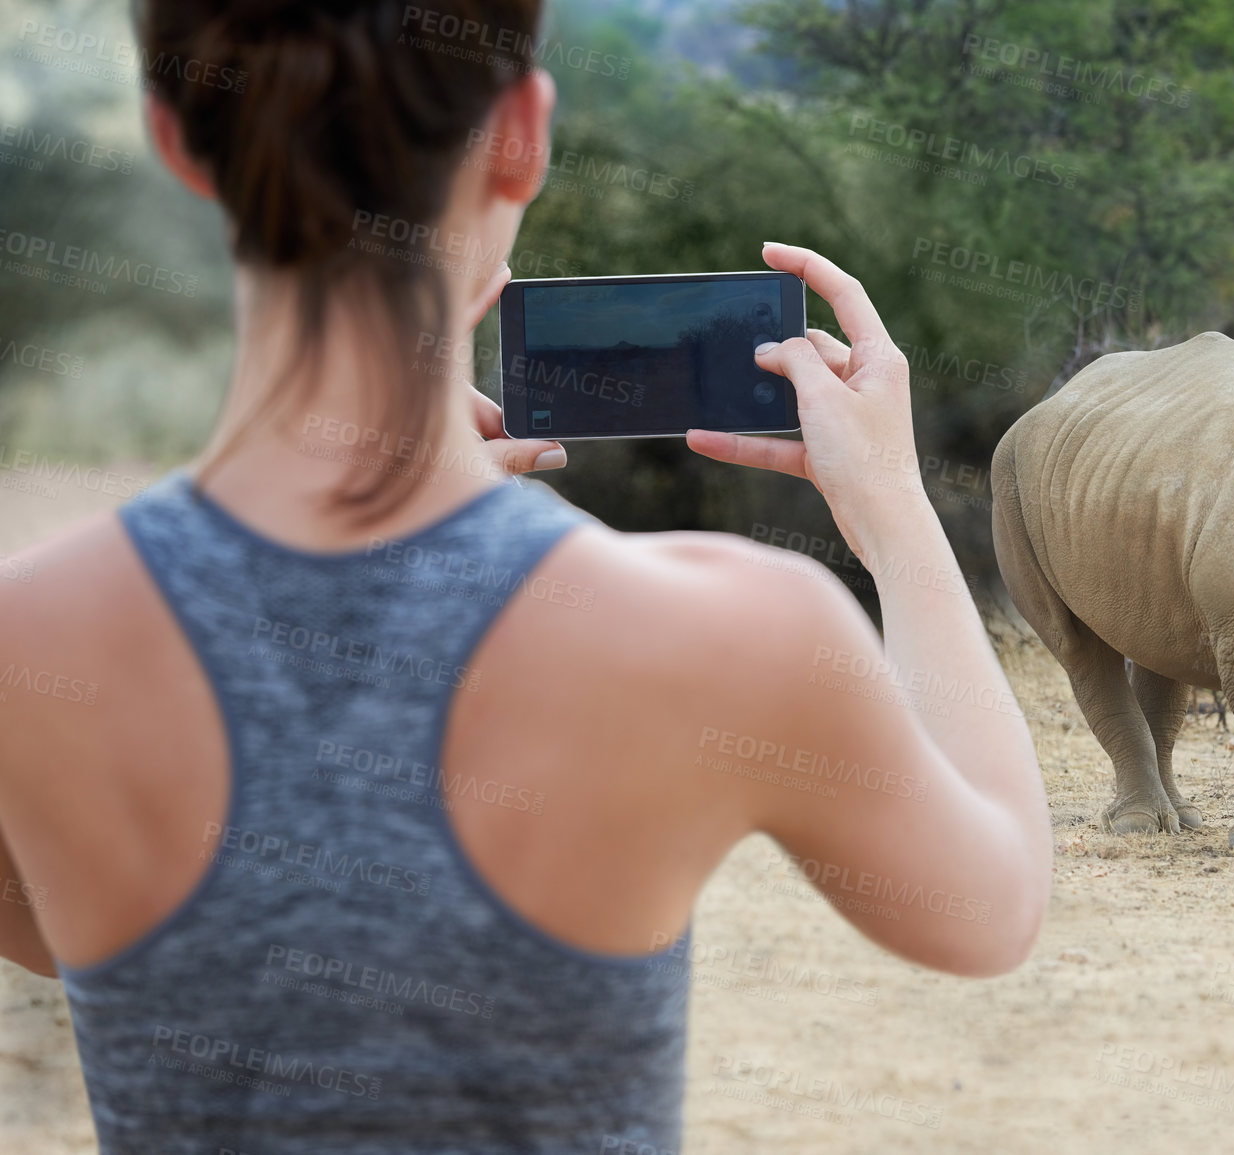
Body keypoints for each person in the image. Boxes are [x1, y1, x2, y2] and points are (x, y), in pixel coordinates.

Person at [0, 2, 1051, 1151]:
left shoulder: (29, 639)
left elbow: (106, 945)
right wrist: (892, 509)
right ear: (522, 137)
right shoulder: (730, 632)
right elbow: (989, 910)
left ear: (172, 138)